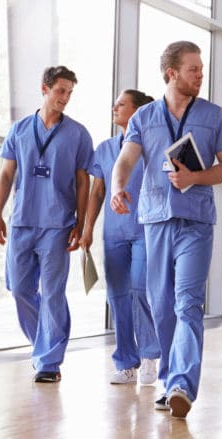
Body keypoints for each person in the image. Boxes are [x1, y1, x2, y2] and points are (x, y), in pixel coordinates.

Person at [110, 41, 222, 418]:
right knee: (162, 305)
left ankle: (182, 382)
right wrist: (118, 188)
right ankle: (169, 381)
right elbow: (125, 160)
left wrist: (196, 177)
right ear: (172, 73)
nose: (201, 74)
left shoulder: (213, 116)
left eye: (201, 68)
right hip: (155, 221)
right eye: (193, 69)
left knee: (187, 303)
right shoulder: (144, 117)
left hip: (196, 222)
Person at [0, 65, 93, 383]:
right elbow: (7, 174)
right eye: (60, 90)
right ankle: (43, 344)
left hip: (58, 224)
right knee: (19, 288)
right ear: (44, 89)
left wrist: (80, 221)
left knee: (52, 293)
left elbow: (83, 182)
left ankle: (49, 361)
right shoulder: (20, 130)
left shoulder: (78, 134)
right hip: (22, 222)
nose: (65, 98)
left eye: (70, 93)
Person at [80, 89, 160, 386]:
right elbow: (97, 191)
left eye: (122, 104)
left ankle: (151, 354)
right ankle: (126, 361)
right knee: (117, 297)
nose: (115, 107)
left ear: (139, 111)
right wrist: (87, 228)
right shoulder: (104, 148)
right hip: (113, 233)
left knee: (140, 289)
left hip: (145, 229)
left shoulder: (151, 147)